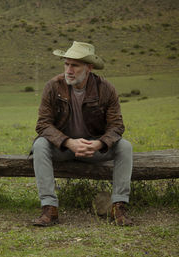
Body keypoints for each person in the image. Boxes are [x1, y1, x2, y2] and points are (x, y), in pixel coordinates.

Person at [32, 41, 133, 226]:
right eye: (66, 64)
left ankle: (118, 206)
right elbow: (43, 124)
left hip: (94, 148)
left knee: (125, 147)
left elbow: (117, 126)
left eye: (75, 65)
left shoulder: (106, 89)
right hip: (63, 147)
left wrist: (100, 144)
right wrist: (68, 142)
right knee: (39, 145)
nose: (69, 70)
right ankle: (49, 208)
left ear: (89, 68)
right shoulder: (53, 86)